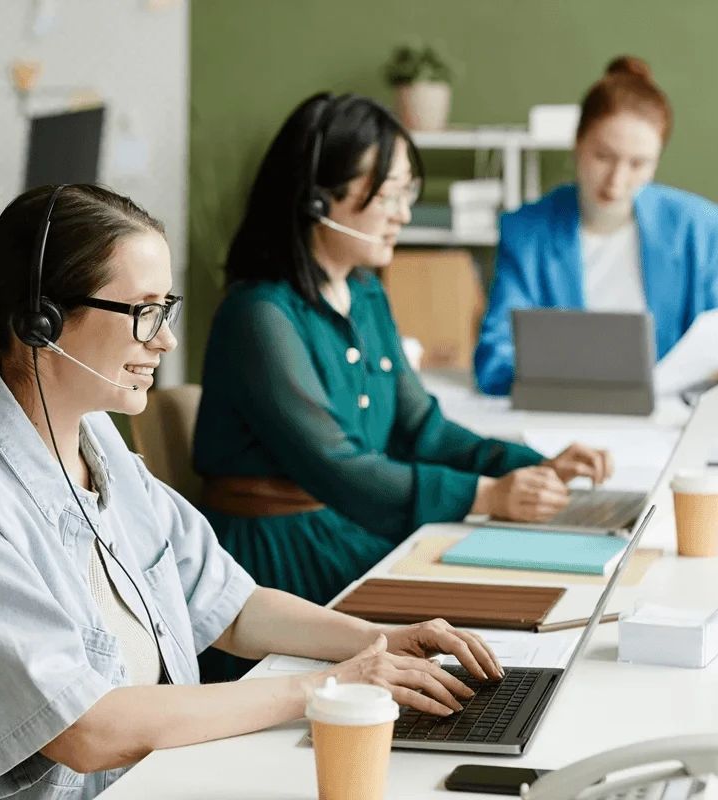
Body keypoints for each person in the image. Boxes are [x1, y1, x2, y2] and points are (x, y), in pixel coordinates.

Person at [0, 184, 508, 800]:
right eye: (143, 313)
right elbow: (84, 729)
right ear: (42, 323)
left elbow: (233, 606)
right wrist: (327, 686)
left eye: (167, 308)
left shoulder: (100, 448)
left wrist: (380, 643)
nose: (166, 339)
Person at [192, 93, 609, 679]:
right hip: (279, 558)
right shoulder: (259, 315)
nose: (402, 215)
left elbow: (421, 428)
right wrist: (488, 496)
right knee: (475, 627)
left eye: (405, 196)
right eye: (386, 195)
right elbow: (337, 466)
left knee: (506, 612)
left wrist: (537, 466)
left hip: (346, 529)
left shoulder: (365, 293)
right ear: (317, 199)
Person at [474, 56, 718, 396]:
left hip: (669, 419)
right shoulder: (526, 232)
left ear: (656, 164)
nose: (617, 179)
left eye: (638, 163)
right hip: (565, 419)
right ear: (577, 144)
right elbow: (494, 358)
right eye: (603, 156)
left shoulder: (699, 228)